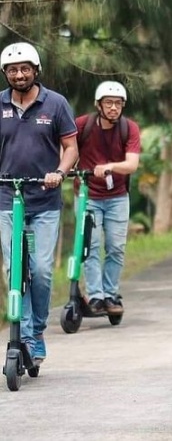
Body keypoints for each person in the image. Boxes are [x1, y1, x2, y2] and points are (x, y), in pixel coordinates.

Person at [0, 42, 78, 363]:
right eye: (13, 70)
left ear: (36, 70)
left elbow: (71, 147)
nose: (19, 75)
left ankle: (38, 328)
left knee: (42, 270)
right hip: (6, 199)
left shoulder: (55, 104)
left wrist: (59, 172)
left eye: (25, 69)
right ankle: (26, 336)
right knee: (13, 268)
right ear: (6, 74)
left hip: (44, 200)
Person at [75, 81, 141, 316]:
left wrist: (109, 166)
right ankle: (96, 296)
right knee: (90, 247)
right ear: (98, 105)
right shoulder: (83, 125)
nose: (114, 108)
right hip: (88, 196)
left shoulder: (128, 128)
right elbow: (68, 149)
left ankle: (111, 293)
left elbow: (132, 163)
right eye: (109, 103)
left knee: (115, 247)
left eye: (118, 103)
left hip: (117, 197)